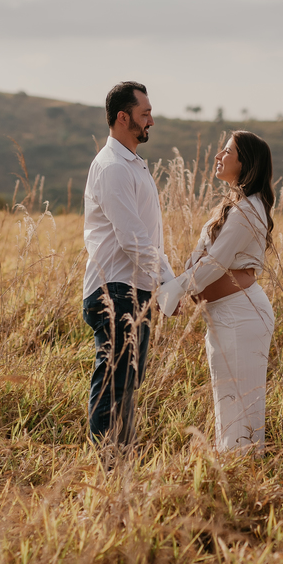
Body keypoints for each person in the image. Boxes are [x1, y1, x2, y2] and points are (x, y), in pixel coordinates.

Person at [158, 131, 275, 452]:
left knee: (243, 405)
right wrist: (180, 285)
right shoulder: (230, 207)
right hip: (223, 315)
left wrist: (172, 291)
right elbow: (199, 259)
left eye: (227, 151)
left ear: (245, 162)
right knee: (227, 400)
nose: (218, 156)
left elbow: (214, 264)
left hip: (243, 314)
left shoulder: (249, 209)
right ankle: (235, 473)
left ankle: (245, 474)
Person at [82, 81, 175, 447]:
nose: (151, 120)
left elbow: (147, 237)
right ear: (123, 118)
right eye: (145, 114)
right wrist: (169, 283)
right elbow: (134, 239)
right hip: (116, 291)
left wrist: (165, 284)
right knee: (114, 383)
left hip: (135, 288)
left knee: (127, 383)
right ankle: (110, 467)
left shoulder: (132, 165)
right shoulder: (113, 168)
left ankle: (122, 464)